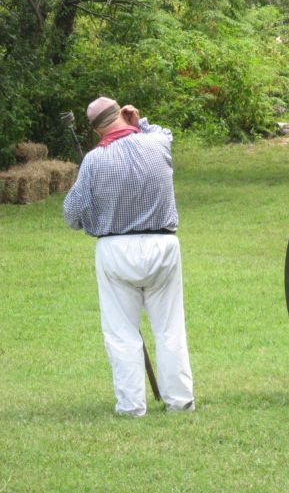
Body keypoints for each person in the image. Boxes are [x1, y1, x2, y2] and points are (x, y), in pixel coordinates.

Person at [64, 96, 194, 417]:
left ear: (96, 129)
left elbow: (71, 214)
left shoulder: (94, 160)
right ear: (122, 113)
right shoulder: (157, 143)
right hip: (163, 245)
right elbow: (165, 133)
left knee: (121, 332)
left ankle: (131, 405)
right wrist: (140, 123)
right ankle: (180, 402)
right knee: (170, 329)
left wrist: (90, 218)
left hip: (115, 249)